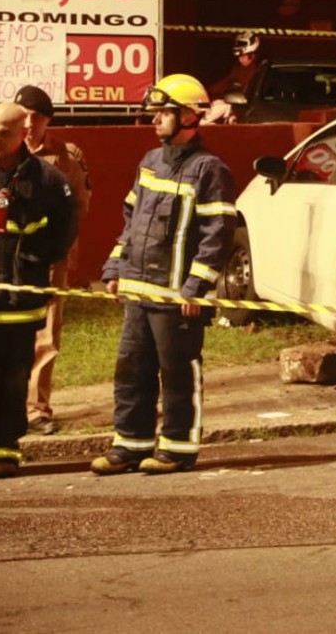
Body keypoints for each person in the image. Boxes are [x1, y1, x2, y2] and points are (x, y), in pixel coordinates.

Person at [91, 74, 236, 476]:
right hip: (139, 292)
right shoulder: (150, 162)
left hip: (177, 299)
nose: (155, 119)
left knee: (177, 374)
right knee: (131, 371)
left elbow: (217, 236)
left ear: (189, 116)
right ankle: (130, 445)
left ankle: (177, 448)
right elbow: (132, 221)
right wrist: (115, 267)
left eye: (164, 112)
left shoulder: (209, 170)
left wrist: (195, 288)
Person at [0, 102, 77, 479]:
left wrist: (37, 262)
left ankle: (4, 451)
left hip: (19, 300)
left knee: (12, 378)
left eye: (4, 132)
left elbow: (65, 227)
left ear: (22, 134)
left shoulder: (46, 179)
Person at [12, 86, 91, 436]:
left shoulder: (67, 156)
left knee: (45, 335)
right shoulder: (0, 148)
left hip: (48, 259)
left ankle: (36, 408)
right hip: (3, 259)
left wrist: (58, 249)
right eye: (24, 116)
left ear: (48, 121)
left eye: (37, 118)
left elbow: (79, 207)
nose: (30, 124)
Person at [209, 30, 263, 99]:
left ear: (252, 56)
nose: (240, 60)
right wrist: (211, 92)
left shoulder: (260, 71)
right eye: (239, 57)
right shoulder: (238, 69)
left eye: (242, 56)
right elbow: (225, 83)